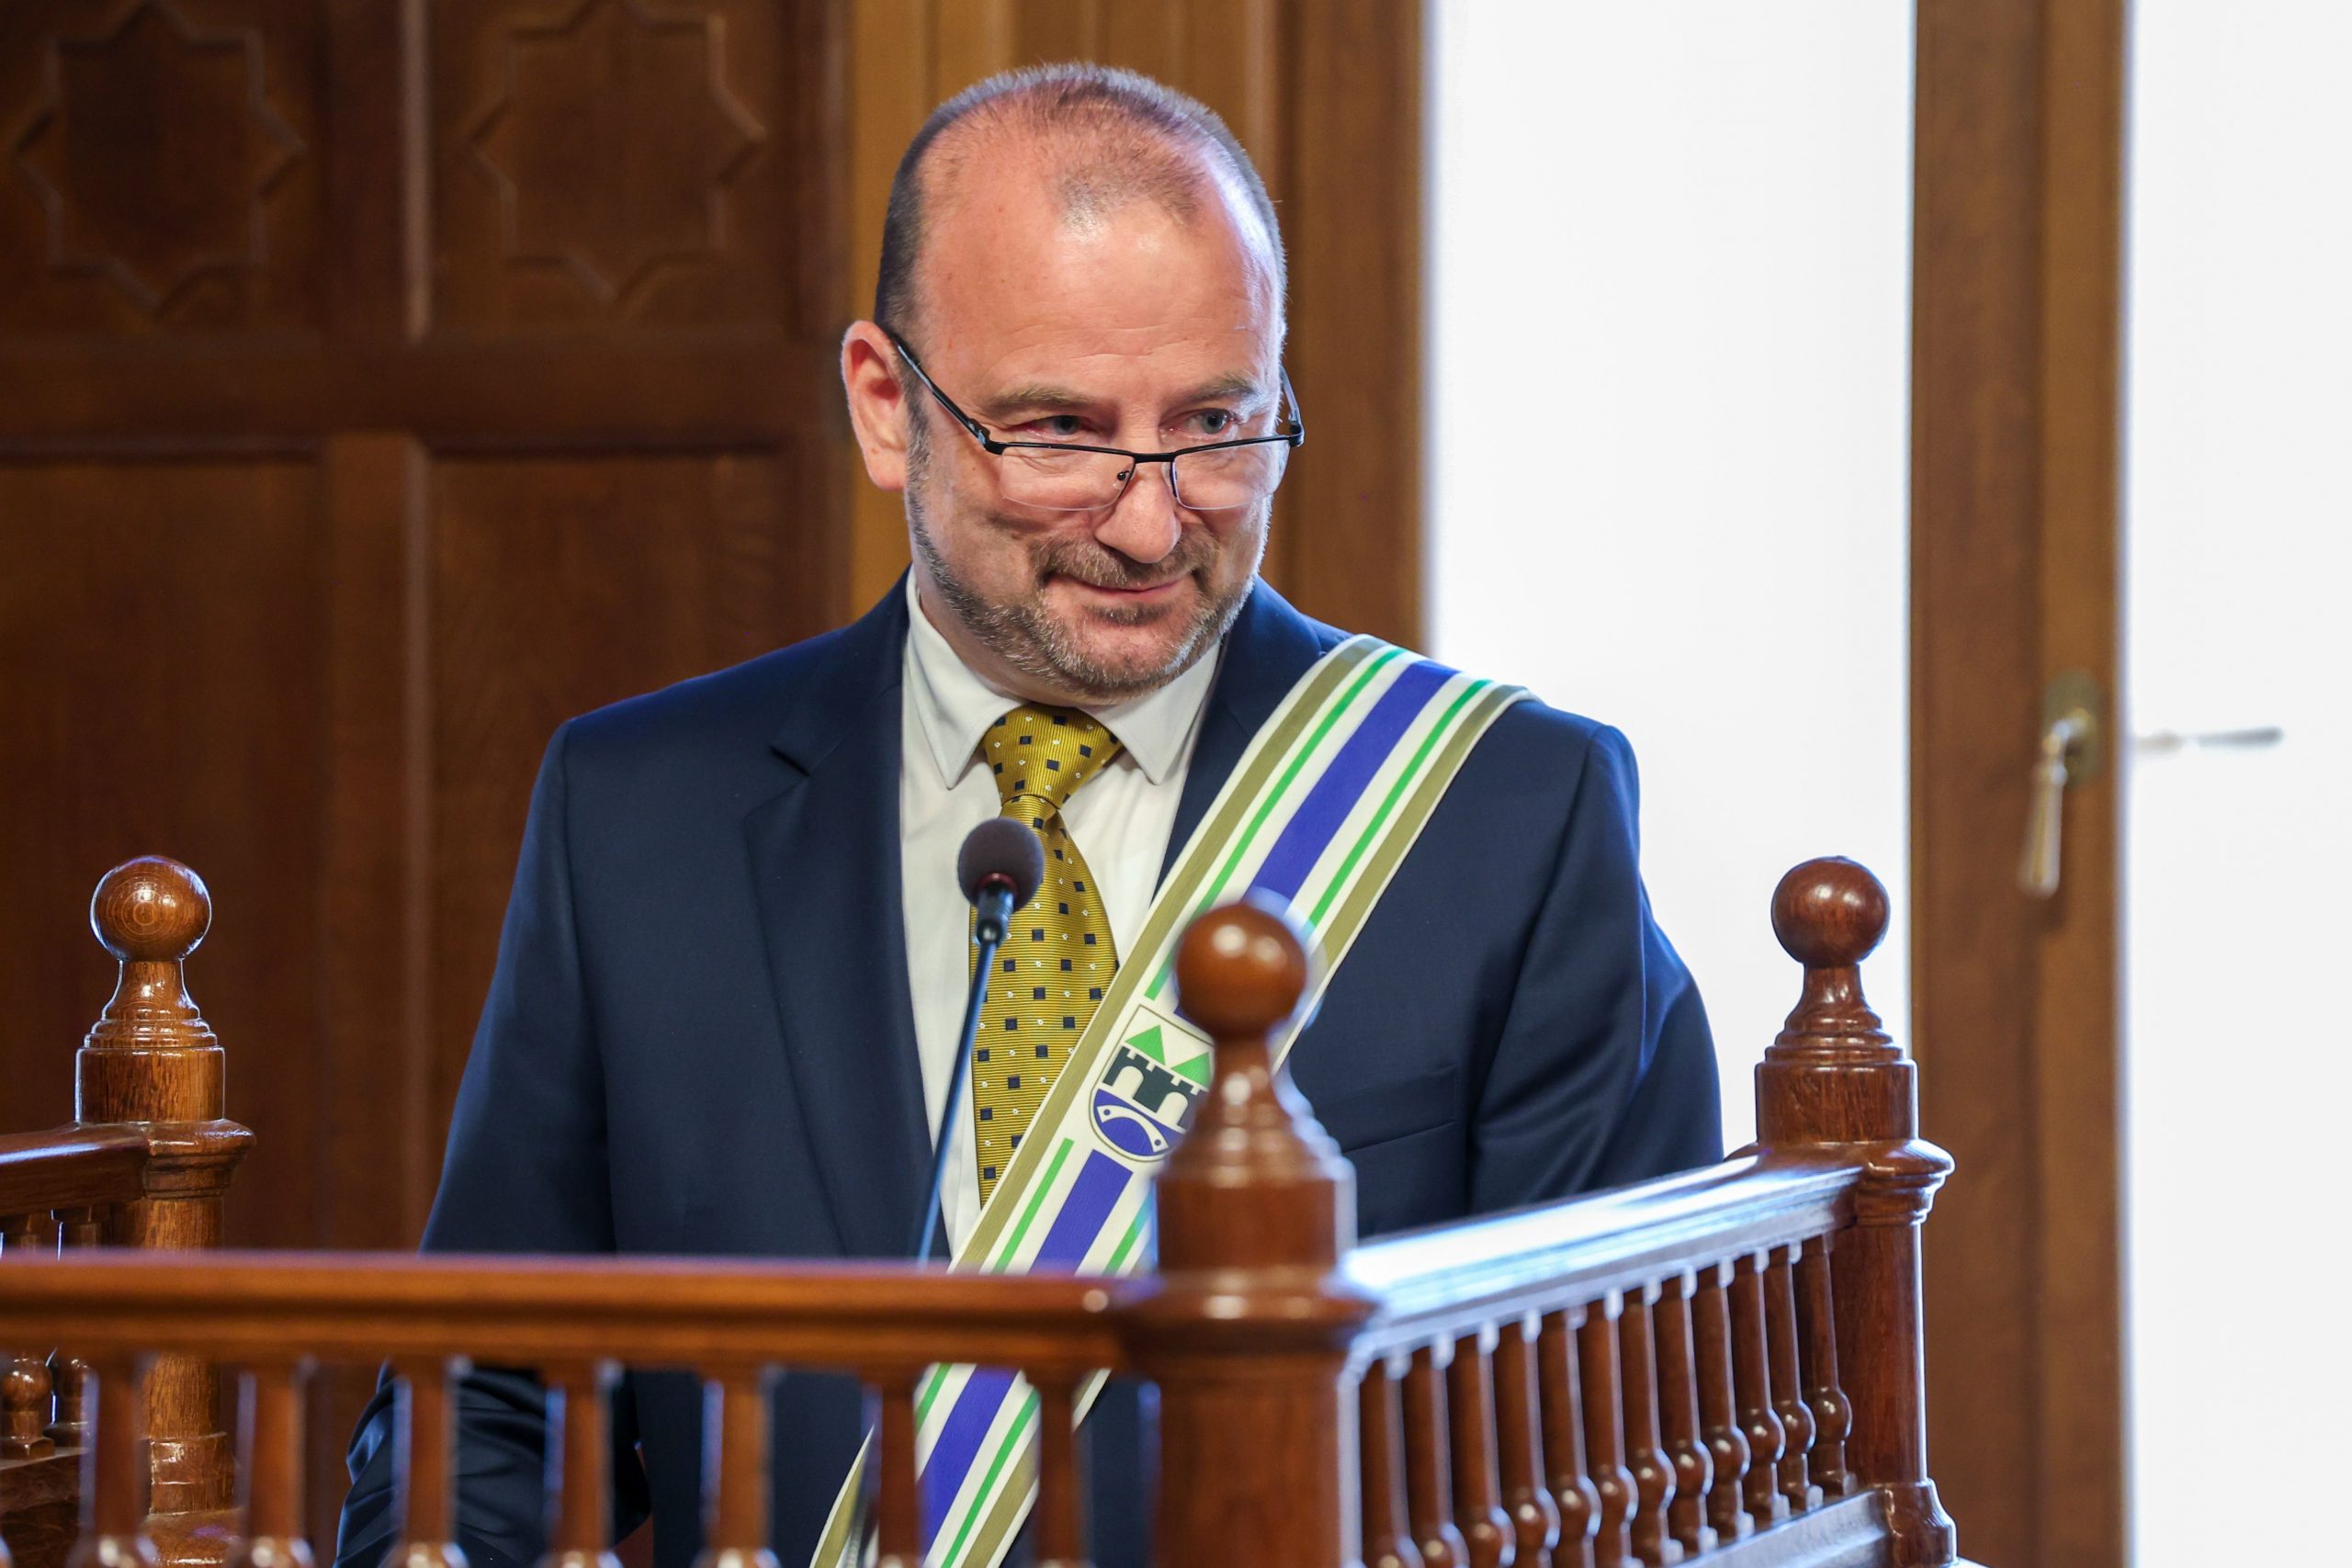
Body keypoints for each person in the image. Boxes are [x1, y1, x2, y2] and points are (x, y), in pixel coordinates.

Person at [335, 62, 1718, 1568]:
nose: (1151, 522)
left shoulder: (1507, 815)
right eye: (1060, 429)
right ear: (887, 407)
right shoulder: (639, 817)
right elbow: (498, 1406)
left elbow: (1615, 1442)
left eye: (1216, 423)